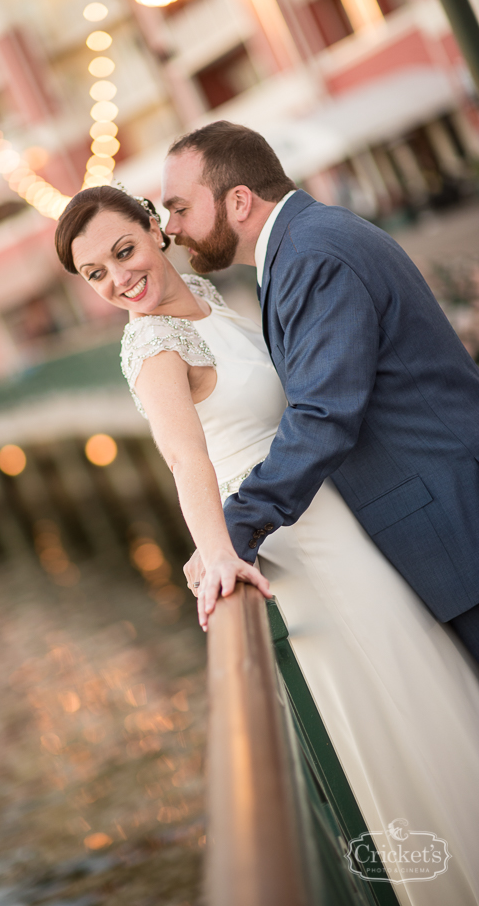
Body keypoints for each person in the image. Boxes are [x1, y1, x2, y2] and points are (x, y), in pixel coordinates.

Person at [54, 185, 479, 906]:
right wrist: (216, 550)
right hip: (300, 551)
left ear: (155, 231)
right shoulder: (151, 345)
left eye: (122, 251)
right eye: (96, 274)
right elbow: (187, 462)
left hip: (342, 522)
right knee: (394, 697)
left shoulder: (200, 294)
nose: (118, 279)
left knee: (426, 671)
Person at [161, 121, 479, 664]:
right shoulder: (307, 240)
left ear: (238, 201)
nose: (171, 228)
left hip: (455, 517)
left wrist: (232, 527)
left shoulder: (311, 254)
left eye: (180, 208)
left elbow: (323, 414)